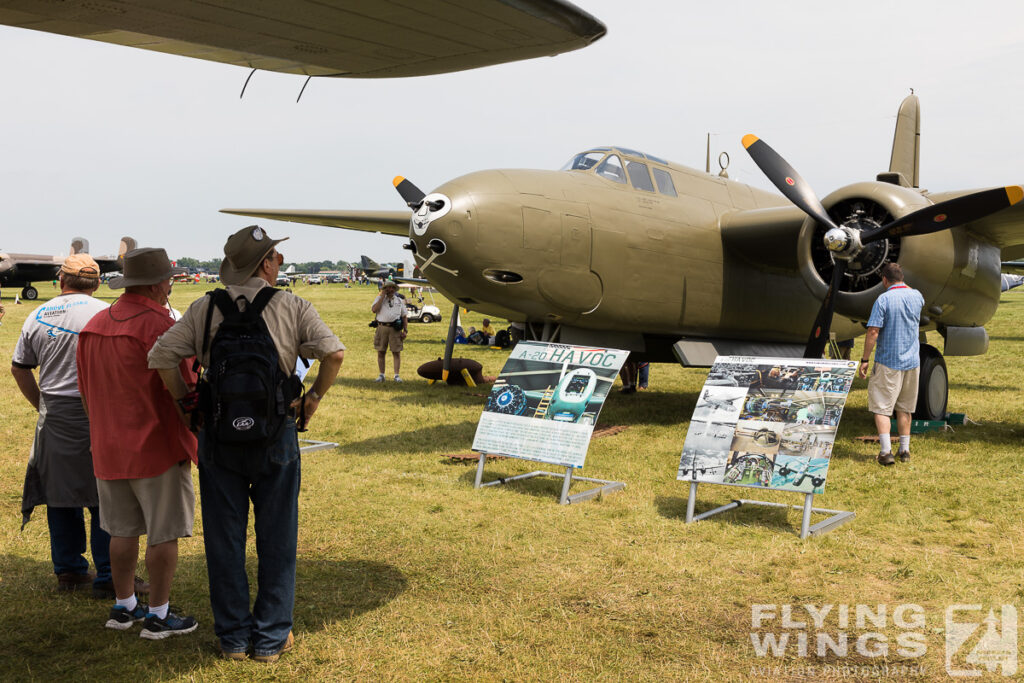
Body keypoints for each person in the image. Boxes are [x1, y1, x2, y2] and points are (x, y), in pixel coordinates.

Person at [148, 225, 345, 662]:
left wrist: (185, 405)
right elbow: (334, 353)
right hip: (276, 436)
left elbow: (160, 356)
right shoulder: (292, 305)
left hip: (218, 438)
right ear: (266, 263)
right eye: (276, 257)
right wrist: (311, 398)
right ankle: (272, 639)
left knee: (224, 540)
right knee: (278, 538)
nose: (279, 264)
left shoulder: (204, 307)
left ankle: (234, 639)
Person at [77, 247, 197, 637]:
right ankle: (159, 614)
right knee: (164, 533)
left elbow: (84, 390)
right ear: (159, 283)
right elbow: (185, 386)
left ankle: (124, 605)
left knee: (120, 530)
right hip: (156, 445)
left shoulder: (95, 323)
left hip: (109, 444)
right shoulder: (161, 325)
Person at [10, 254, 113, 596]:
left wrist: (41, 405)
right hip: (98, 410)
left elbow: (20, 367)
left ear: (60, 280)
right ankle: (109, 574)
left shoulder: (37, 314)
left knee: (59, 492)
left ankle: (68, 570)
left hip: (54, 413)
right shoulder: (105, 313)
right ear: (97, 282)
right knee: (105, 493)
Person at [857, 262, 925, 466]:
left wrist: (865, 359)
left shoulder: (884, 299)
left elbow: (873, 331)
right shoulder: (917, 296)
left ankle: (886, 452)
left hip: (888, 361)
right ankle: (905, 449)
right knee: (905, 408)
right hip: (912, 361)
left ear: (885, 280)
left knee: (882, 407)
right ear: (901, 277)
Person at [371, 279, 407, 382]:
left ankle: (397, 375)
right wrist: (382, 296)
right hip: (382, 327)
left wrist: (405, 330)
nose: (389, 289)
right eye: (387, 288)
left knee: (396, 352)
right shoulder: (379, 299)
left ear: (395, 289)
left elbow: (404, 316)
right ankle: (381, 375)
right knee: (381, 351)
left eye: (391, 287)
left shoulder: (399, 301)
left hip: (395, 329)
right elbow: (374, 310)